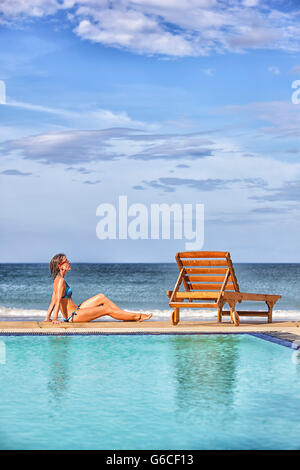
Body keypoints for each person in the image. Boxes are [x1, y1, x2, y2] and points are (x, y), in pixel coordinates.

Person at [45, 253, 152, 324]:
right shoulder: (60, 281)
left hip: (76, 310)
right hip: (73, 316)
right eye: (66, 261)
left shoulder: (58, 279)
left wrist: (47, 318)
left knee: (101, 297)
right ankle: (137, 317)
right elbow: (57, 300)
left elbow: (52, 300)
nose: (69, 262)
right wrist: (54, 319)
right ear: (60, 266)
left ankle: (125, 316)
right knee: (106, 309)